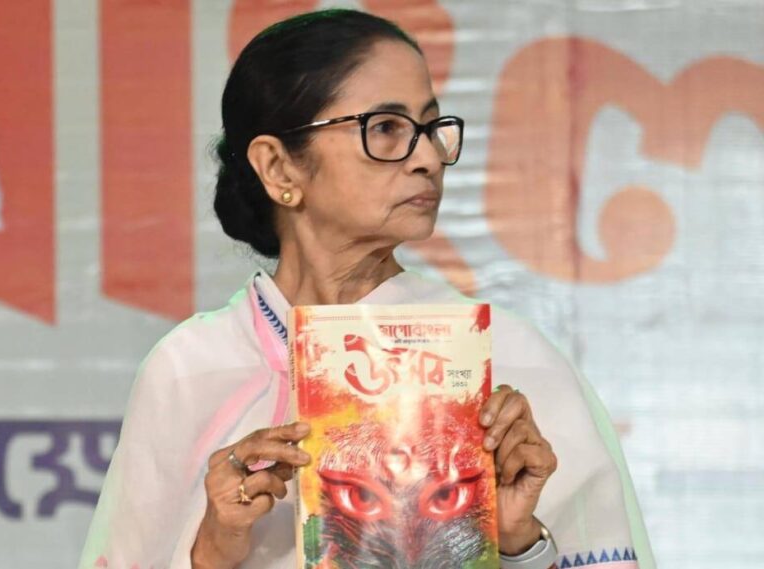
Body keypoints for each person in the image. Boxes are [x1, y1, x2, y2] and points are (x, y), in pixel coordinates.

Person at [78, 8, 654, 569]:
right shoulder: (189, 370)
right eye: (385, 128)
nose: (428, 159)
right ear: (278, 167)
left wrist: (516, 543)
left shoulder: (504, 359)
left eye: (429, 128)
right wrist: (211, 550)